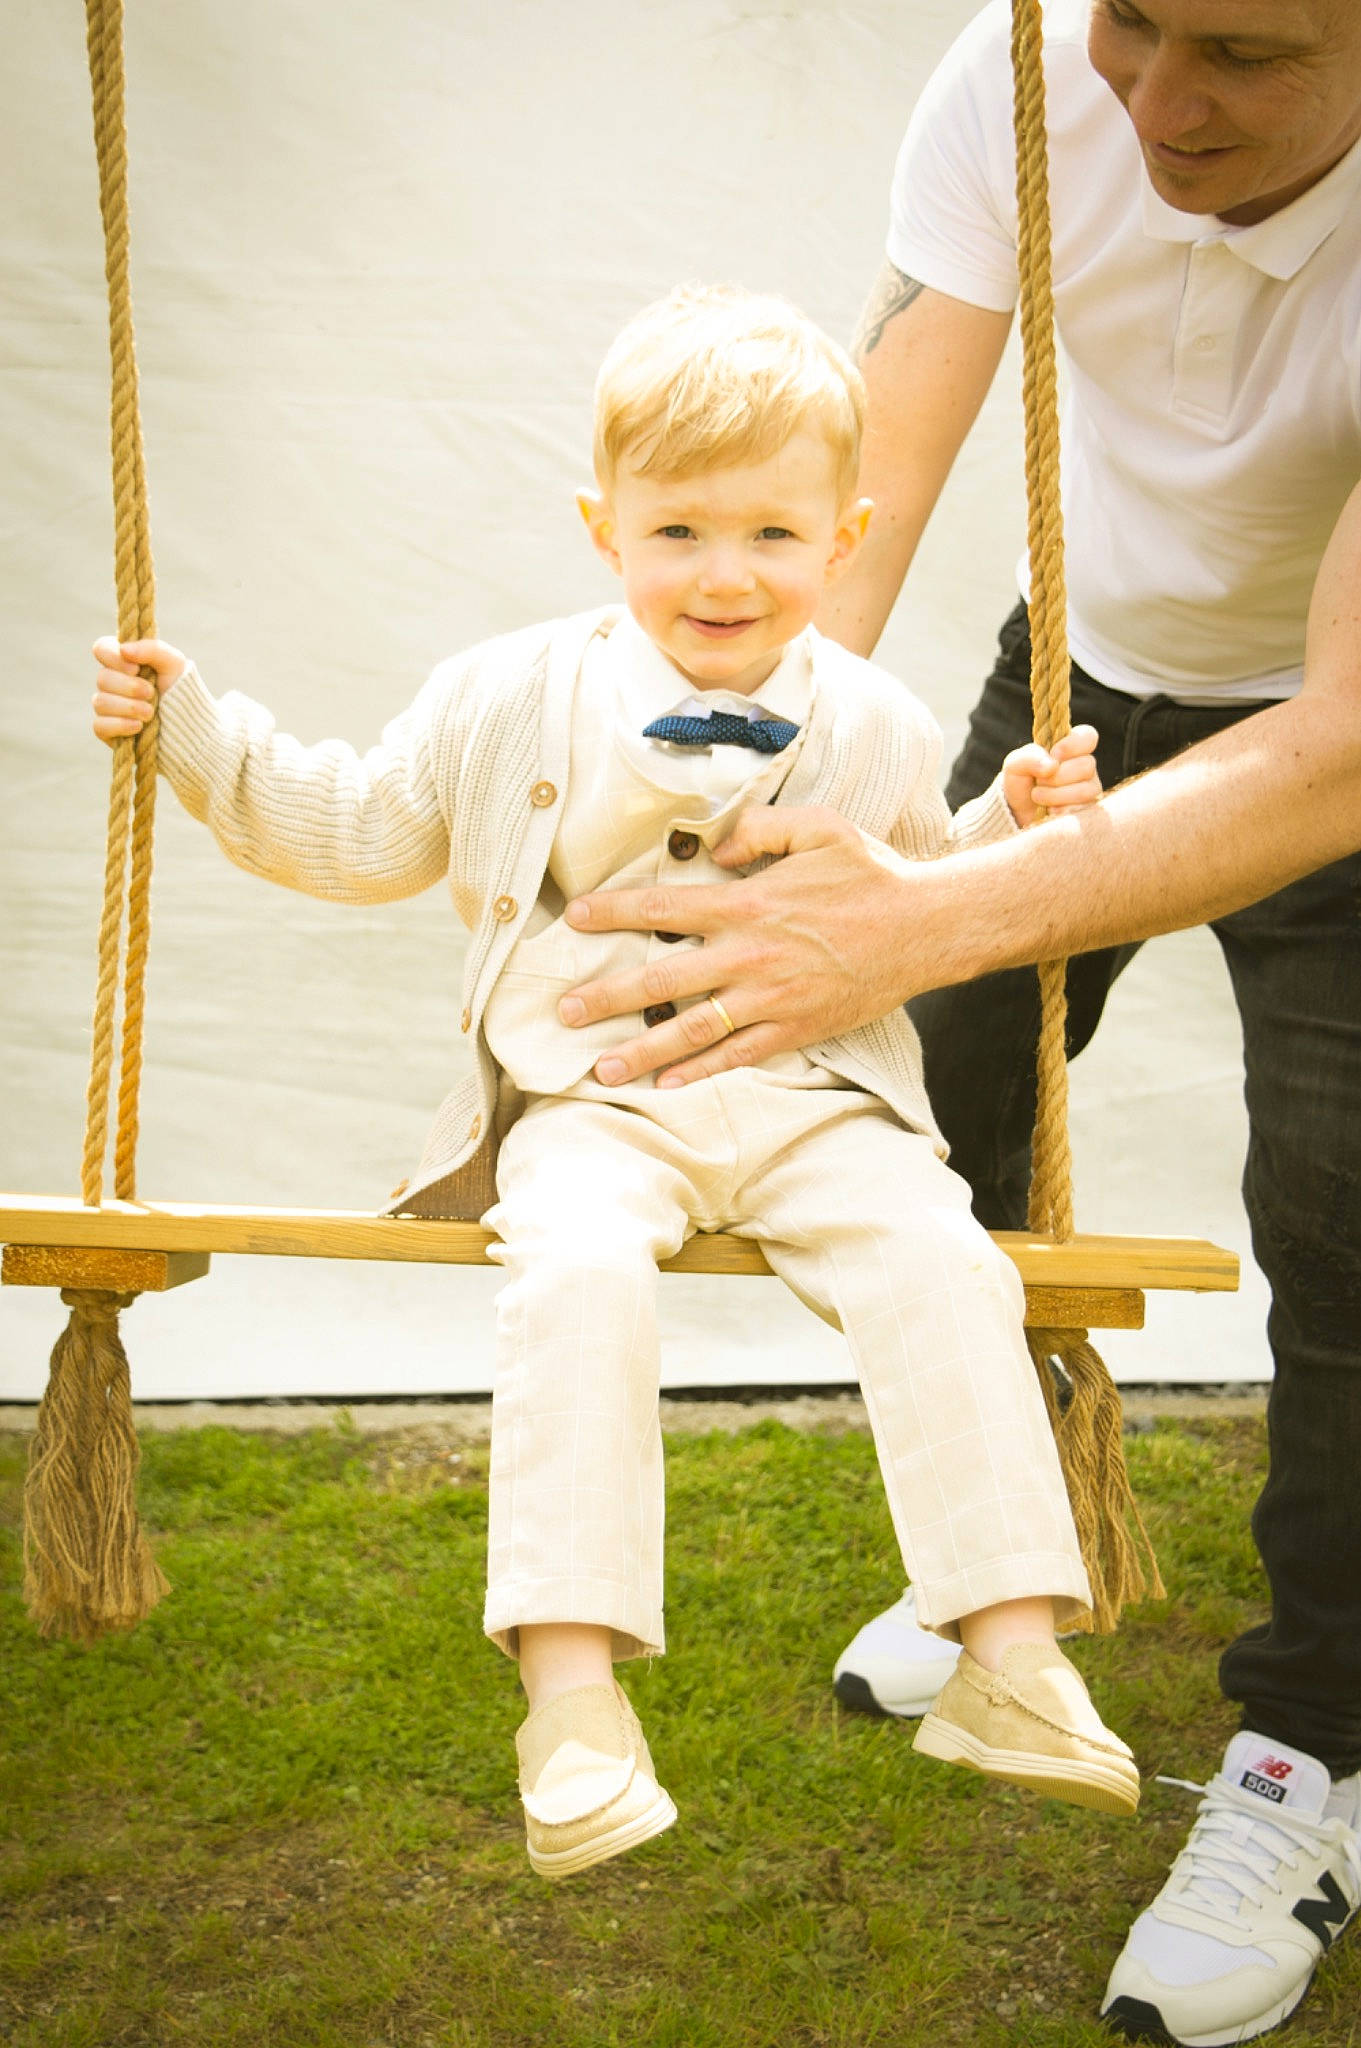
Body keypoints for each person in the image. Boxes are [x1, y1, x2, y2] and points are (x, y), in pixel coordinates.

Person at [542, 5, 1361, 2041]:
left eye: (1245, 54)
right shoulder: (1016, 72)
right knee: (929, 1130)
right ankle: (999, 1549)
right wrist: (710, 781)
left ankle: (1318, 1752)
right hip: (1083, 674)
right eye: (1136, 20)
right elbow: (862, 512)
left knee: (1346, 1233)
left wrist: (915, 911)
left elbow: (1344, 742)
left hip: (1328, 745)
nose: (1157, 102)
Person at [90, 285, 1134, 1879]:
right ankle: (570, 1705)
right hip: (594, 1097)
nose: (726, 574)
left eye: (774, 536)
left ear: (844, 537)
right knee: (570, 1273)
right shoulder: (509, 690)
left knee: (944, 1259)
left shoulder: (875, 718)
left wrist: (1010, 817)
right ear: (604, 527)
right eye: (680, 530)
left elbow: (926, 902)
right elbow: (358, 829)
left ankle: (1008, 1660)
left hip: (811, 1098)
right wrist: (192, 735)